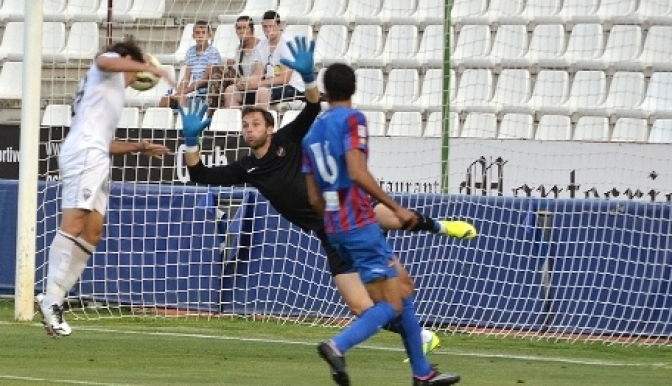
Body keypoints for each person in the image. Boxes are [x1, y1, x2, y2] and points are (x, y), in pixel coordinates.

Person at [178, 36, 476, 365]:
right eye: (245, 125)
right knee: (362, 307)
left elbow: (312, 106)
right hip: (328, 231)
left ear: (270, 127)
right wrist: (191, 140)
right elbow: (201, 176)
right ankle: (421, 337)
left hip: (347, 211)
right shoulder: (246, 168)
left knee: (389, 220)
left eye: (255, 124)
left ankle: (441, 227)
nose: (249, 129)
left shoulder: (289, 139)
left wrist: (307, 78)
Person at [302, 62, 462, 385]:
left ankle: (422, 372)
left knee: (403, 288)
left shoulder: (311, 134)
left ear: (327, 92)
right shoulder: (352, 119)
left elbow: (314, 199)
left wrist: (336, 216)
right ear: (354, 88)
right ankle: (337, 345)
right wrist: (396, 207)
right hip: (359, 224)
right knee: (391, 303)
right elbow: (358, 171)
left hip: (335, 227)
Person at [36, 37, 174, 337]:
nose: (136, 78)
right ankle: (50, 300)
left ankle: (55, 298)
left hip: (95, 154)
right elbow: (105, 60)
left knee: (93, 231)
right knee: (73, 223)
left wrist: (138, 147)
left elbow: (106, 142)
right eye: (134, 73)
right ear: (128, 60)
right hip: (85, 153)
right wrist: (149, 67)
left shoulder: (108, 93)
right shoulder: (107, 66)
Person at [227, 11, 305, 109]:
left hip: (292, 87)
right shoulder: (261, 45)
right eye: (265, 27)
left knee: (262, 92)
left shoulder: (287, 45)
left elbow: (284, 79)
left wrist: (259, 83)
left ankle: (262, 123)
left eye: (271, 26)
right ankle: (236, 123)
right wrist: (246, 82)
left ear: (279, 25)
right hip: (269, 85)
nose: (268, 30)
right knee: (231, 90)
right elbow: (258, 72)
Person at [160, 20, 221, 109]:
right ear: (193, 36)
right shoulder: (190, 52)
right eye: (197, 33)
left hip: (205, 90)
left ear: (209, 36)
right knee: (165, 99)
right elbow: (186, 77)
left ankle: (183, 121)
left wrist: (184, 92)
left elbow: (205, 79)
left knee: (181, 98)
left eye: (203, 33)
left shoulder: (213, 52)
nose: (200, 36)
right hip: (193, 88)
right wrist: (179, 91)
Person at [211, 15, 260, 109]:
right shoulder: (239, 48)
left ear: (252, 30)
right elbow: (238, 69)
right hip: (241, 80)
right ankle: (215, 109)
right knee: (217, 70)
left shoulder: (260, 47)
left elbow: (261, 72)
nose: (241, 31)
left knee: (219, 74)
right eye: (239, 28)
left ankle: (213, 111)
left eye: (245, 28)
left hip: (254, 82)